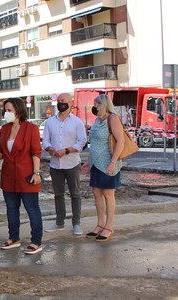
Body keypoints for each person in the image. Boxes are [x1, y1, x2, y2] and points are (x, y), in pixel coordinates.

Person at [0, 97, 44, 255]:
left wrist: (37, 172)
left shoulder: (31, 128)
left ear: (18, 111)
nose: (6, 113)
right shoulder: (5, 129)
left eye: (9, 110)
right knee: (11, 209)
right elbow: (0, 149)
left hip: (27, 176)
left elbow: (36, 152)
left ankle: (36, 241)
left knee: (32, 209)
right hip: (8, 176)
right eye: (5, 110)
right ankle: (14, 238)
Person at [81, 94, 124, 242]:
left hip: (108, 163)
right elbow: (94, 144)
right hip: (95, 163)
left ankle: (108, 226)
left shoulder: (113, 118)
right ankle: (99, 224)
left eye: (96, 104)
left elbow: (120, 141)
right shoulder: (98, 120)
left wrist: (113, 162)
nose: (94, 107)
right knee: (96, 193)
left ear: (104, 104)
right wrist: (88, 161)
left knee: (108, 194)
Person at [42, 93, 87, 235]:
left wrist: (67, 151)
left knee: (75, 194)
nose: (60, 103)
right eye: (59, 101)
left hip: (72, 163)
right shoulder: (49, 122)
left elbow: (82, 141)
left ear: (71, 103)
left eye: (63, 101)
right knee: (58, 194)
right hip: (55, 165)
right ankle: (59, 222)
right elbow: (45, 140)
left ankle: (76, 223)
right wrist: (50, 149)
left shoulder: (77, 122)